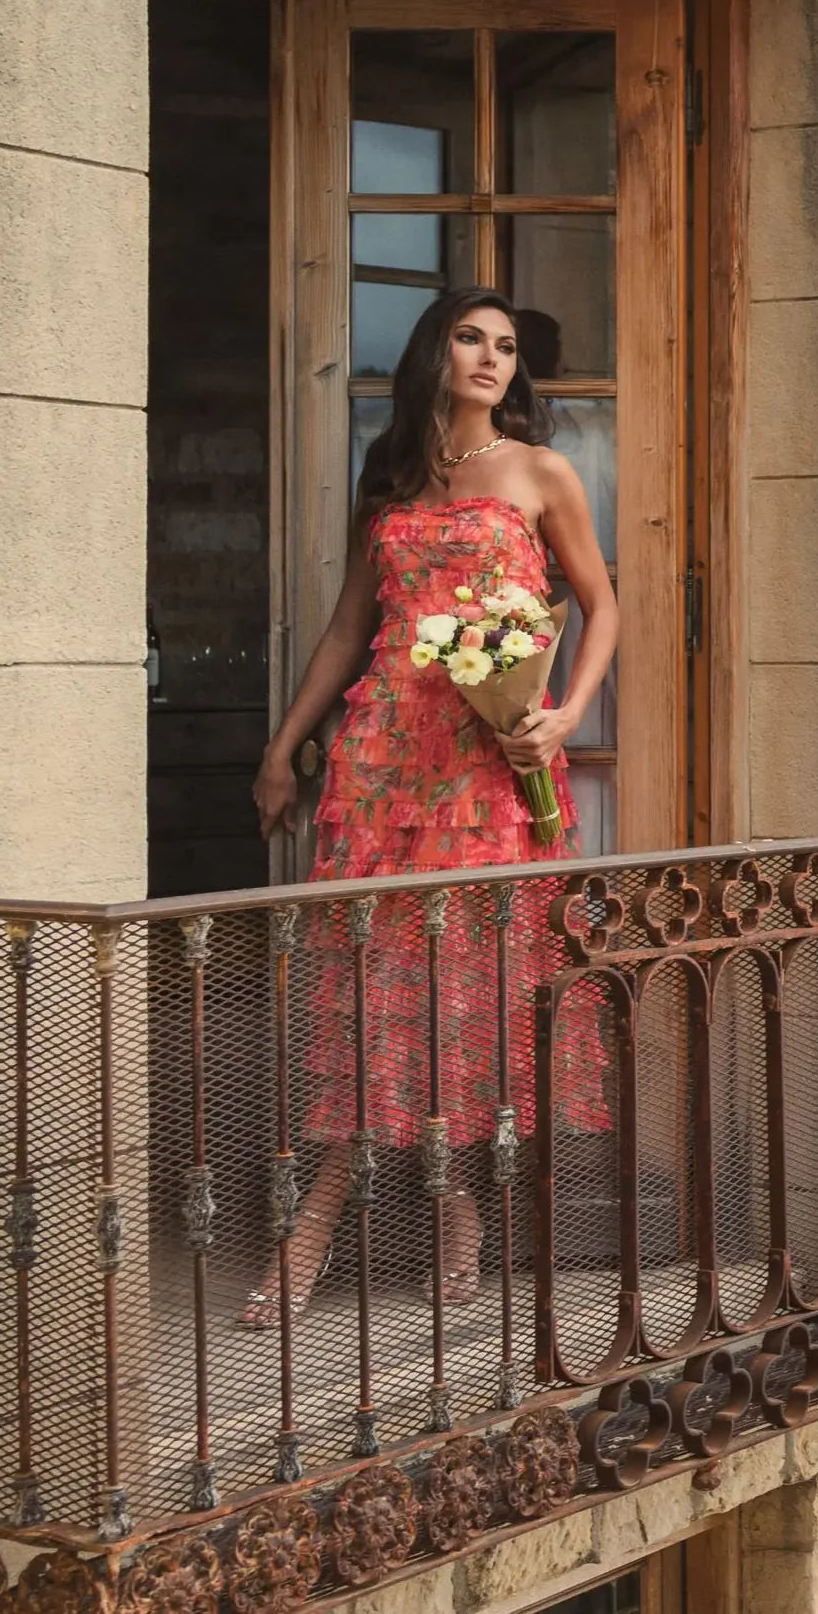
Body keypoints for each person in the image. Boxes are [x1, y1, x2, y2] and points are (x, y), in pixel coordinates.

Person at [240, 285, 619, 1326]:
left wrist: (564, 717)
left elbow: (601, 606)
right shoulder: (394, 479)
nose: (490, 357)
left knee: (466, 985)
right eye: (469, 338)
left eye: (506, 345)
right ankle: (338, 1222)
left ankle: (441, 1215)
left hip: (487, 767)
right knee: (373, 986)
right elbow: (345, 630)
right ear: (434, 352)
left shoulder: (540, 472)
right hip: (381, 763)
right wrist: (282, 749)